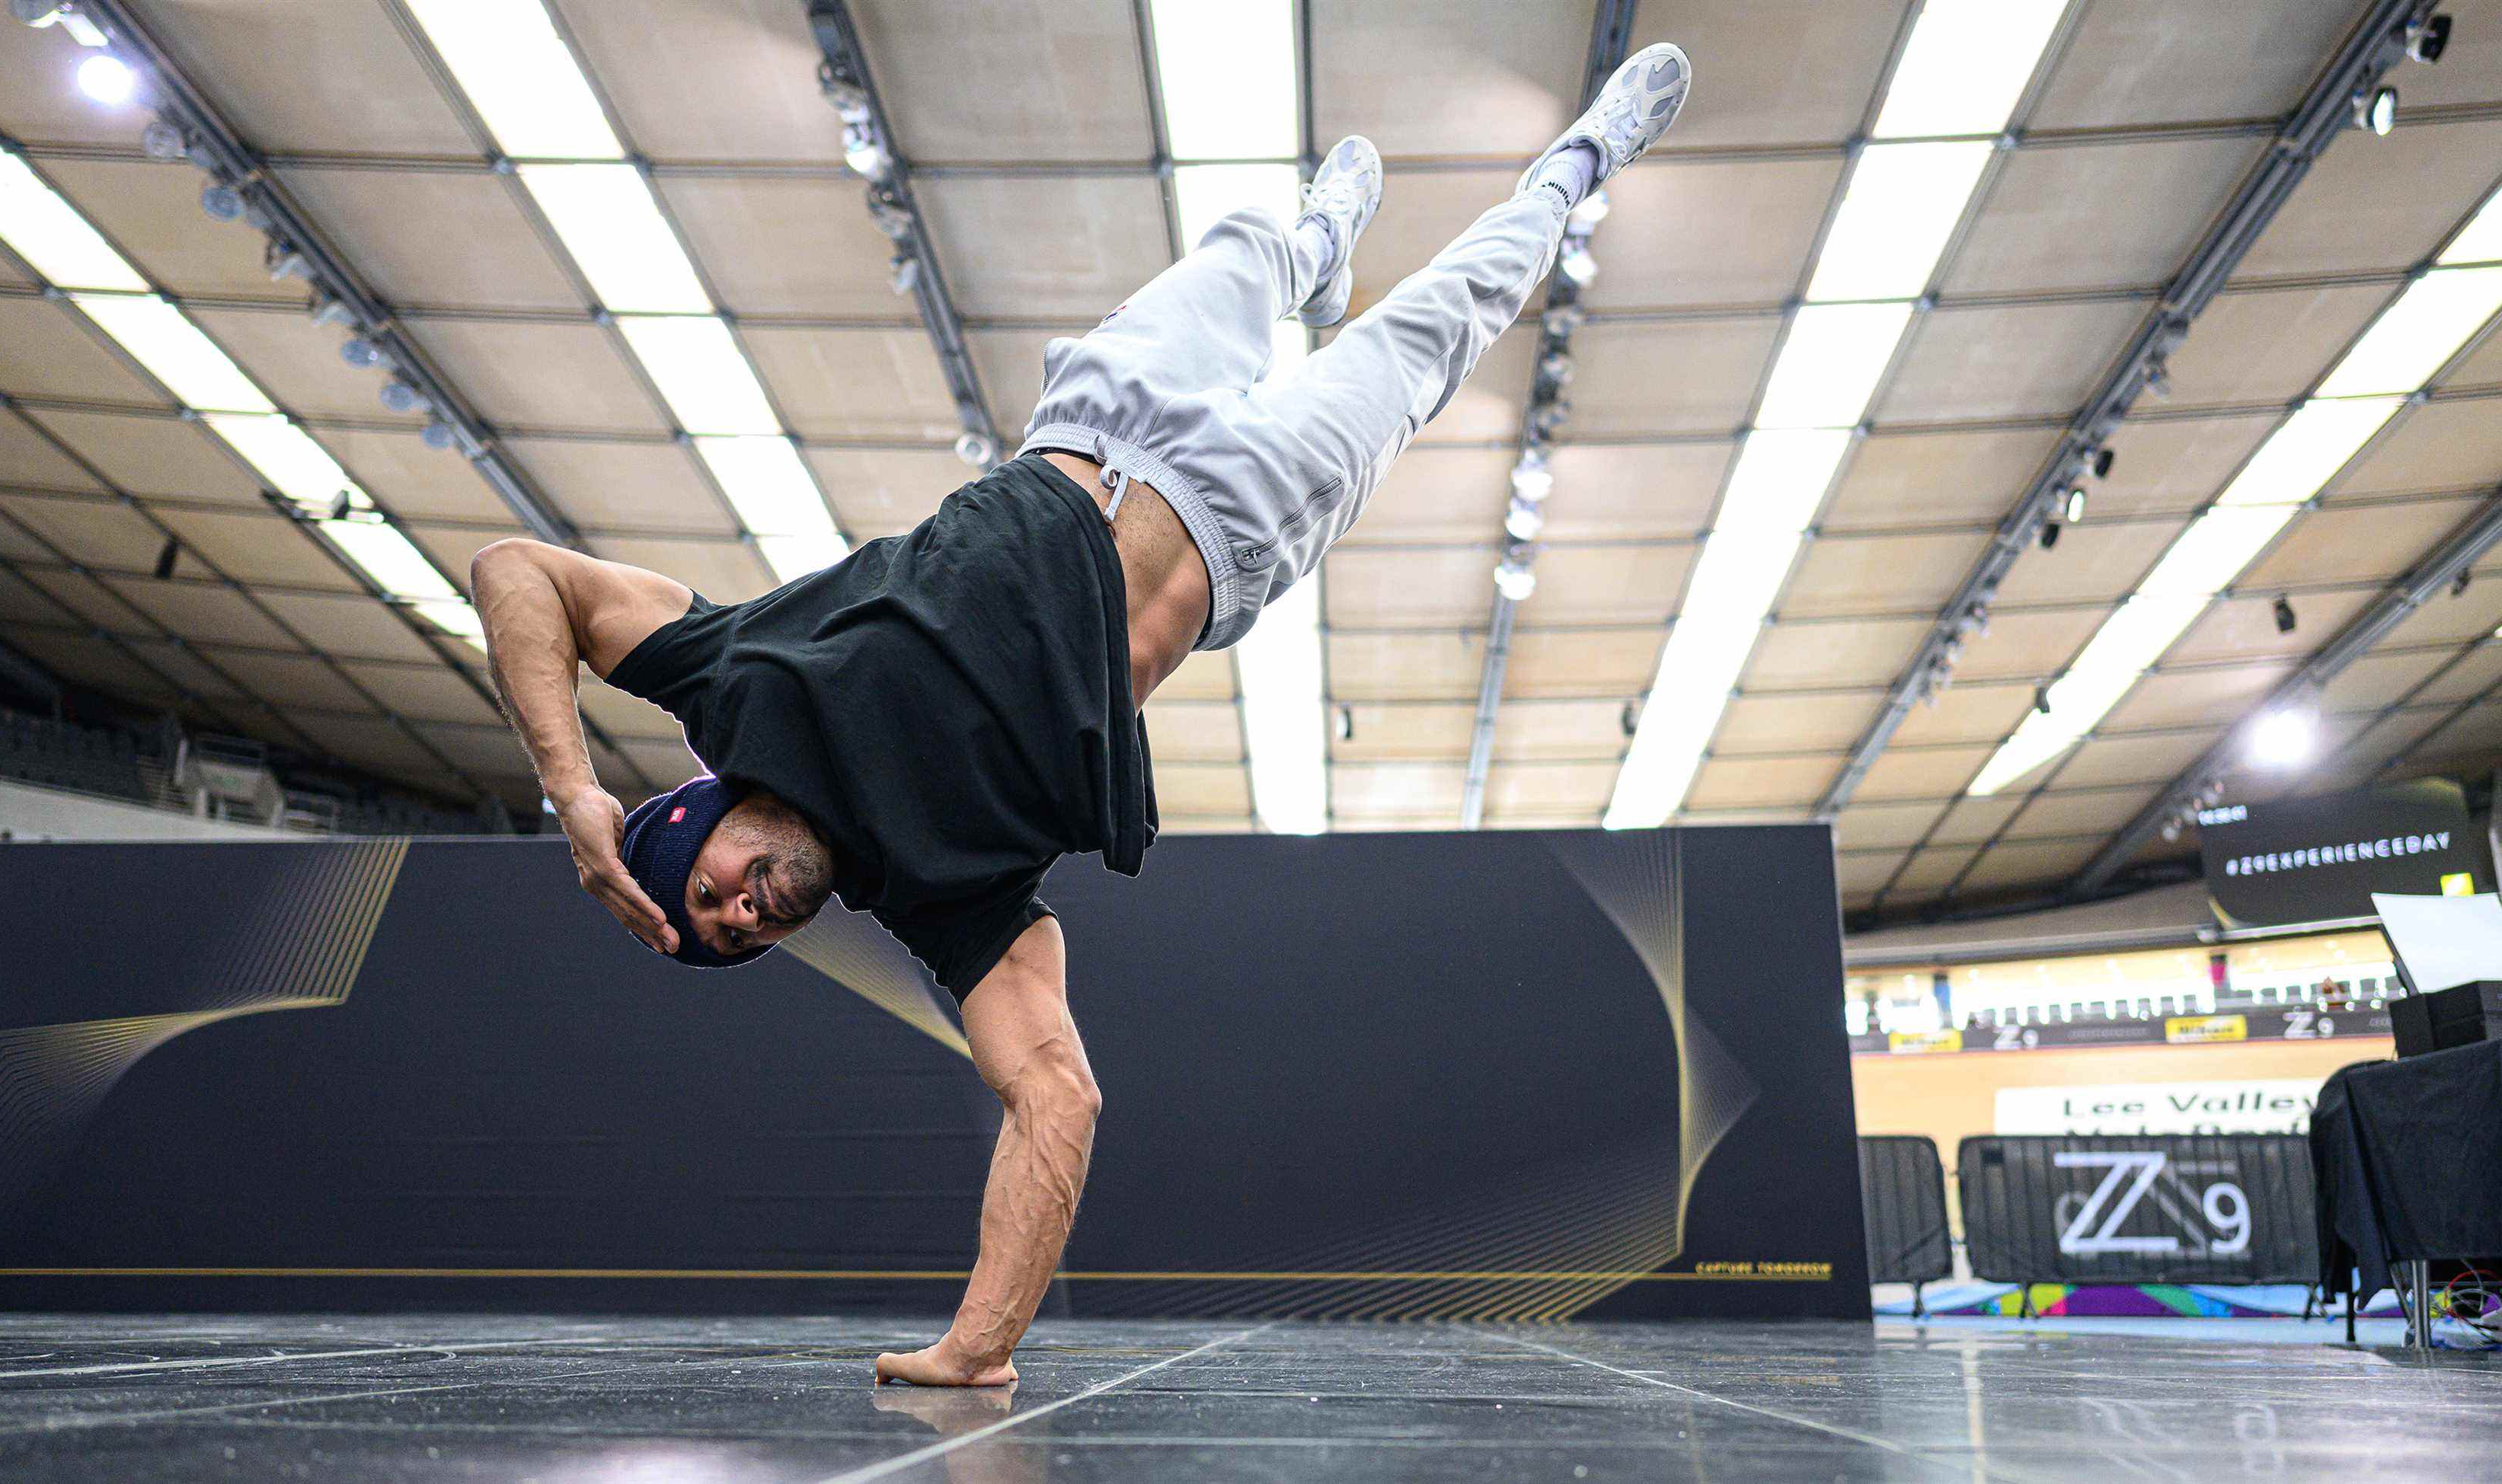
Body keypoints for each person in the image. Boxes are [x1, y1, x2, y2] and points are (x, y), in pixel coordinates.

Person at [469, 44, 1692, 1387]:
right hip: (1242, 520)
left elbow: (519, 575)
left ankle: (1313, 239)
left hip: (1102, 415)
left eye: (706, 898)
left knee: (1239, 246)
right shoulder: (942, 897)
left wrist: (572, 790)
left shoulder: (730, 677)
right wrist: (977, 1347)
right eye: (734, 940)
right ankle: (1578, 162)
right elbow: (1056, 1091)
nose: (743, 915)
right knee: (1440, 331)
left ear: (686, 820)